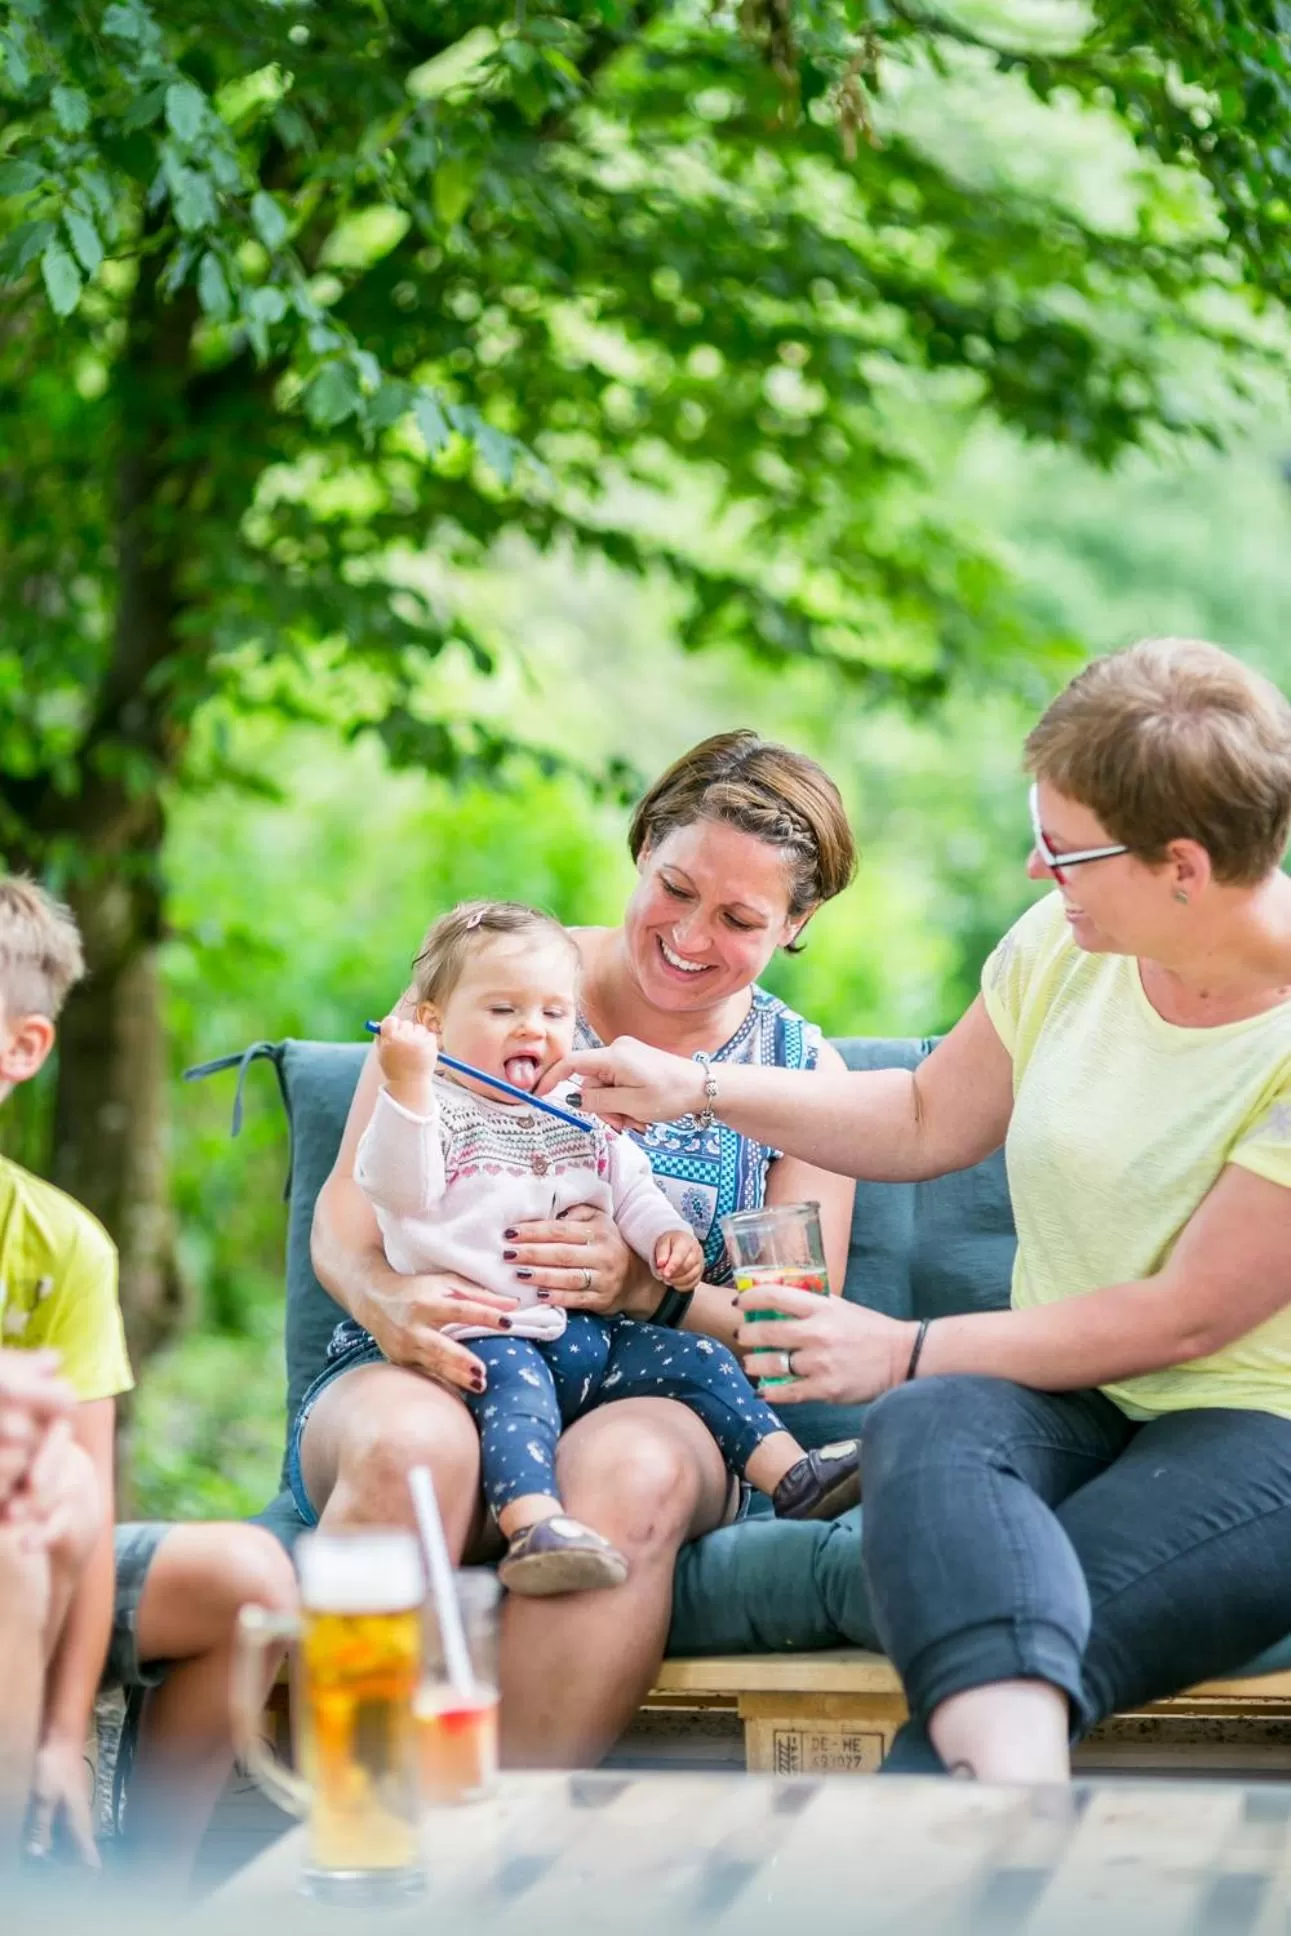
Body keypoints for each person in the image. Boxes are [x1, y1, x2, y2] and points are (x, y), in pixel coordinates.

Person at [554, 637, 1291, 1781]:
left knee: (1005, 1672)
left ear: (1183, 868)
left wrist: (902, 1345)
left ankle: (981, 1811)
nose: (1037, 871)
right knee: (922, 1426)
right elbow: (915, 1119)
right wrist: (693, 1081)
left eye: (1063, 847)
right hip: (1072, 1397)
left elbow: (1190, 1314)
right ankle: (998, 1803)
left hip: (1260, 1429)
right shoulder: (1067, 942)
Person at [303, 731, 860, 1763]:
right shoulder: (499, 973)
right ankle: (353, 1837)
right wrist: (388, 1305)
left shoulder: (798, 1078)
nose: (690, 937)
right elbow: (342, 1225)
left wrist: (647, 1290)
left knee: (631, 1470)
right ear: (643, 844)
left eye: (739, 918)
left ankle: (501, 1857)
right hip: (449, 1343)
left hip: (652, 1384)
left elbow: (792, 1333)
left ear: (797, 923)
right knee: (410, 1451)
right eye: (675, 887)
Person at [346, 901, 861, 1595]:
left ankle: (791, 1475)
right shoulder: (436, 1112)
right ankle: (535, 1524)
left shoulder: (575, 1113)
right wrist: (406, 1087)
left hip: (593, 1335)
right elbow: (395, 1188)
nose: (532, 1027)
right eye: (503, 1011)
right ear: (435, 1027)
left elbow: (630, 1188)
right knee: (517, 1401)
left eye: (554, 1015)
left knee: (700, 1360)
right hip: (493, 1331)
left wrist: (664, 1245)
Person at [0, 874, 296, 1877]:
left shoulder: (58, 1247)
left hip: (43, 1563)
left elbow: (88, 1506)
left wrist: (61, 1738)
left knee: (253, 1581)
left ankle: (143, 1888)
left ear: (22, 1048)